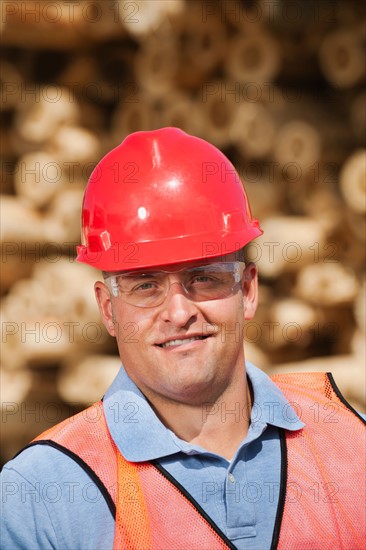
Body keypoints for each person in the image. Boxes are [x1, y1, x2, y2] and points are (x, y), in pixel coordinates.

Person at [1, 128, 365, 549]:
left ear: (247, 291)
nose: (179, 312)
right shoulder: (43, 494)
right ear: (107, 310)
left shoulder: (349, 442)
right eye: (145, 286)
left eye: (204, 278)